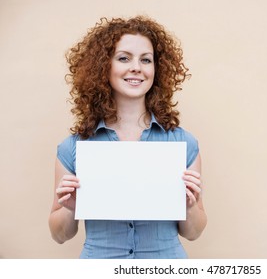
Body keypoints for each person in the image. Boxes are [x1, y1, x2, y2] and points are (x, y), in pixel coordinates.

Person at [48, 16, 207, 259]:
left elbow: (193, 233)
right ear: (104, 67)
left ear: (157, 69)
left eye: (146, 60)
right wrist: (70, 208)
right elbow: (60, 235)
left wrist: (190, 205)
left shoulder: (183, 143)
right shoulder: (74, 147)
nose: (137, 67)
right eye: (124, 58)